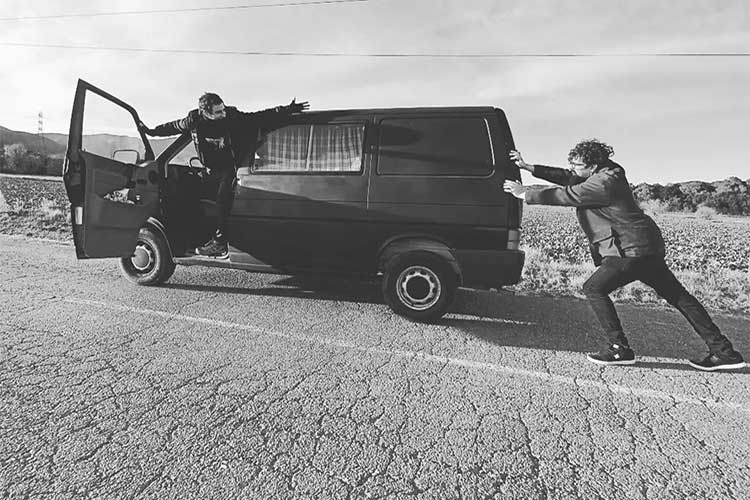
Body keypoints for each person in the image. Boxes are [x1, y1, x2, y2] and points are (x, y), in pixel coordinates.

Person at [503, 139, 746, 371]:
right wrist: (529, 167)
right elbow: (569, 177)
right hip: (644, 248)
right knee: (679, 297)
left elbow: (567, 194)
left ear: (593, 166)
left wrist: (525, 193)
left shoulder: (603, 183)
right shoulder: (606, 172)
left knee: (594, 288)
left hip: (628, 250)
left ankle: (619, 349)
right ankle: (724, 351)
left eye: (577, 164)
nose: (572, 168)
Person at [139, 93, 309, 257]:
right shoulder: (193, 120)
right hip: (211, 169)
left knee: (222, 199)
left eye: (223, 109)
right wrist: (151, 132)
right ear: (205, 112)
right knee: (190, 195)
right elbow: (173, 126)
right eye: (218, 111)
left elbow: (259, 117)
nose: (223, 113)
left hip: (232, 166)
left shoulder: (232, 117)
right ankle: (190, 237)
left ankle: (219, 243)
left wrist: (287, 109)